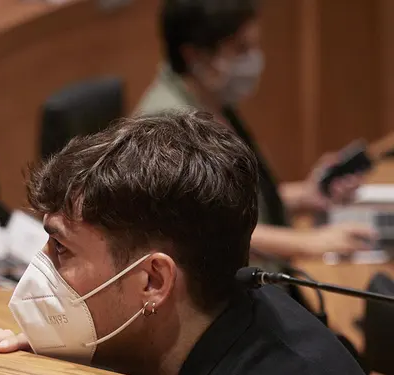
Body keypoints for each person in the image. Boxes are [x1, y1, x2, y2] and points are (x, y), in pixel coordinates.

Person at [0, 112, 382, 375]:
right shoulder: (209, 320)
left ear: (153, 281)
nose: (41, 264)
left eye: (61, 247)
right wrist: (68, 364)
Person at [136, 0, 373, 259]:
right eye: (241, 49)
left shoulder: (209, 97)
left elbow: (223, 205)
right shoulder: (169, 128)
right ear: (195, 55)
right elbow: (203, 234)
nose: (254, 59)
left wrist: (303, 196)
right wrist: (309, 243)